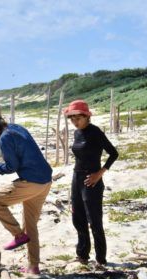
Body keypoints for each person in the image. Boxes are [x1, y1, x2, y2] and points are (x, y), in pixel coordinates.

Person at [0, 112, 52, 275]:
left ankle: (18, 235)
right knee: (30, 225)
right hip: (46, 180)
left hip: (33, 181)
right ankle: (33, 267)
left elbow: (12, 166)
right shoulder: (17, 128)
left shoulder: (5, 137)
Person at [65, 100, 118, 268]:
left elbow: (113, 154)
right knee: (77, 218)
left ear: (86, 116)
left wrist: (99, 174)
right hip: (76, 178)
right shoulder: (76, 133)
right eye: (71, 118)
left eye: (77, 118)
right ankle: (82, 255)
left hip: (92, 180)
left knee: (94, 221)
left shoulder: (95, 132)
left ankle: (101, 259)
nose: (74, 121)